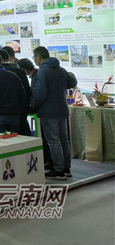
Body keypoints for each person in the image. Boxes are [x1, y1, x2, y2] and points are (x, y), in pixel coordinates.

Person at [33, 46, 77, 179]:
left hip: (48, 111)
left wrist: (35, 106)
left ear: (39, 57)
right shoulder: (61, 69)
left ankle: (58, 170)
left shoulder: (42, 72)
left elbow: (40, 93)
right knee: (63, 140)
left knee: (53, 141)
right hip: (62, 109)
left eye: (34, 57)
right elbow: (72, 82)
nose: (34, 60)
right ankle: (66, 168)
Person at [17, 57, 53, 169]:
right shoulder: (36, 75)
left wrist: (34, 106)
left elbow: (38, 94)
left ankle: (52, 162)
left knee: (51, 139)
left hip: (45, 110)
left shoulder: (38, 75)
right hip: (46, 110)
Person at [0, 49, 32, 135]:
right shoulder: (20, 71)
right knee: (20, 136)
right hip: (18, 110)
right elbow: (26, 91)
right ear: (8, 57)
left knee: (2, 138)